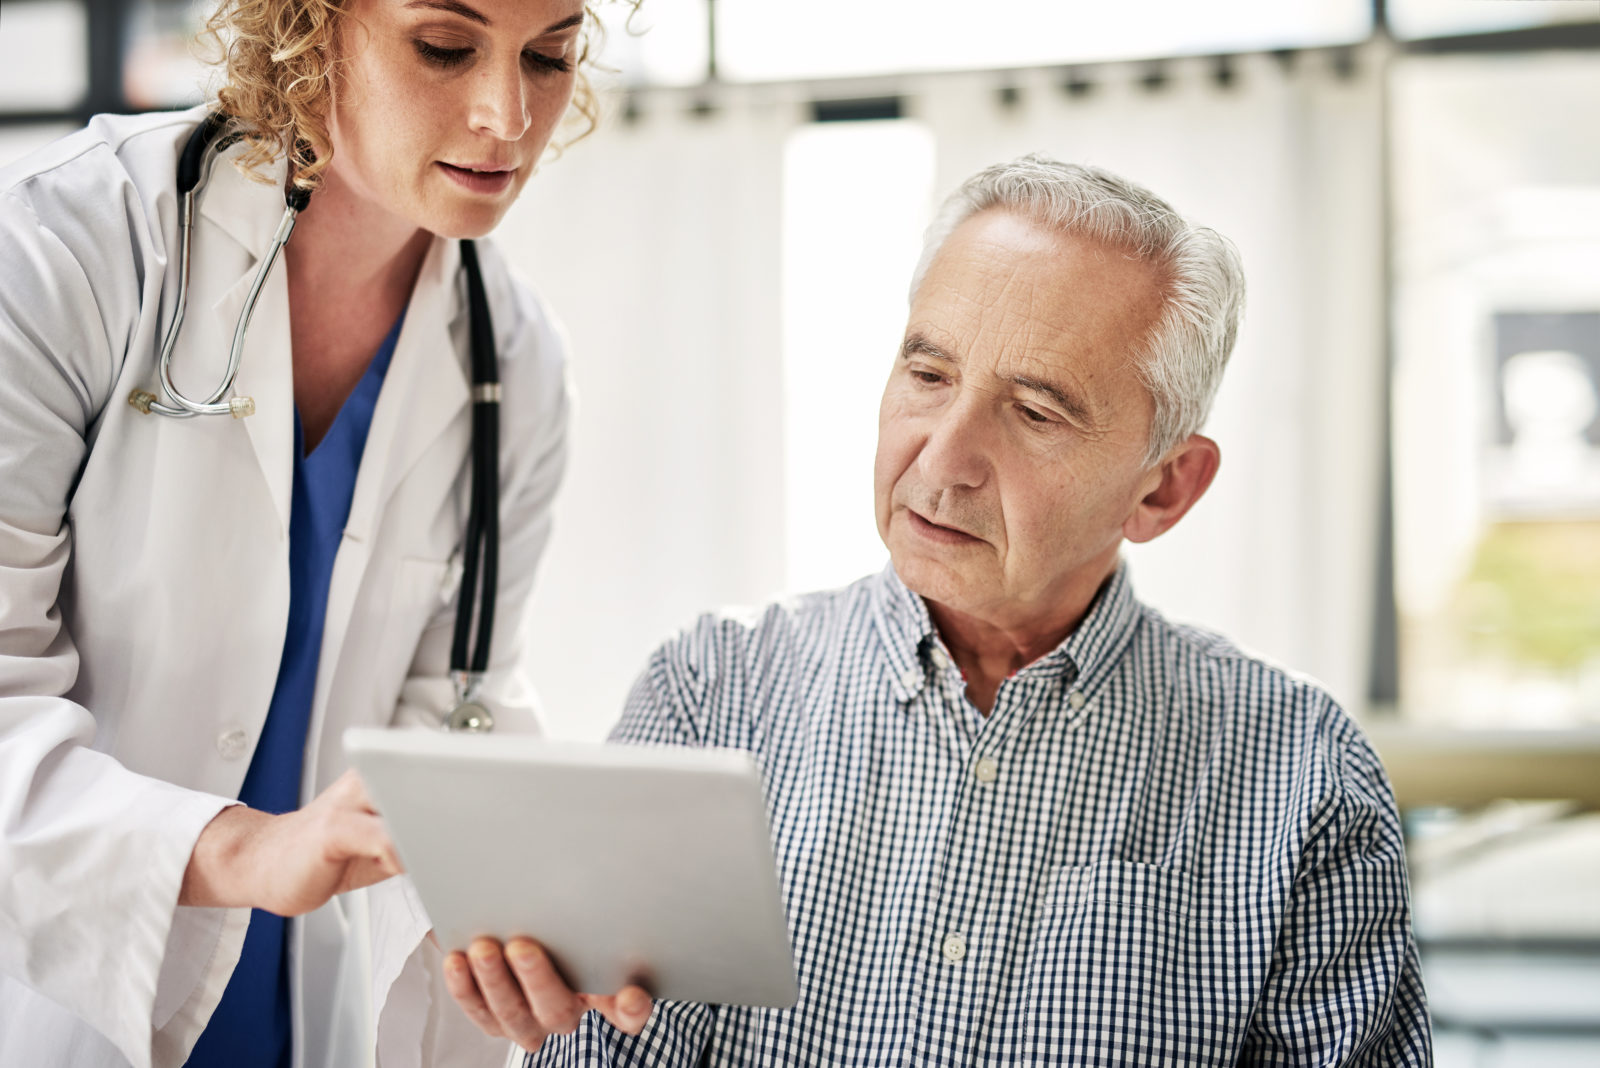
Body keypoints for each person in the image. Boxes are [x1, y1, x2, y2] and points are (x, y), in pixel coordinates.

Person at [448, 156, 1434, 1065]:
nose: (942, 458)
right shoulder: (712, 693)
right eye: (927, 375)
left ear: (1164, 489)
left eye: (1035, 410)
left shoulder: (1302, 774)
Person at [0, 1, 647, 1065]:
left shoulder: (515, 365)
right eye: (444, 47)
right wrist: (244, 851)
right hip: (56, 1011)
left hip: (313, 1018)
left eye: (549, 55)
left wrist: (524, 914)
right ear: (306, 25)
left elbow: (455, 708)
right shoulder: (68, 249)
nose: (507, 113)